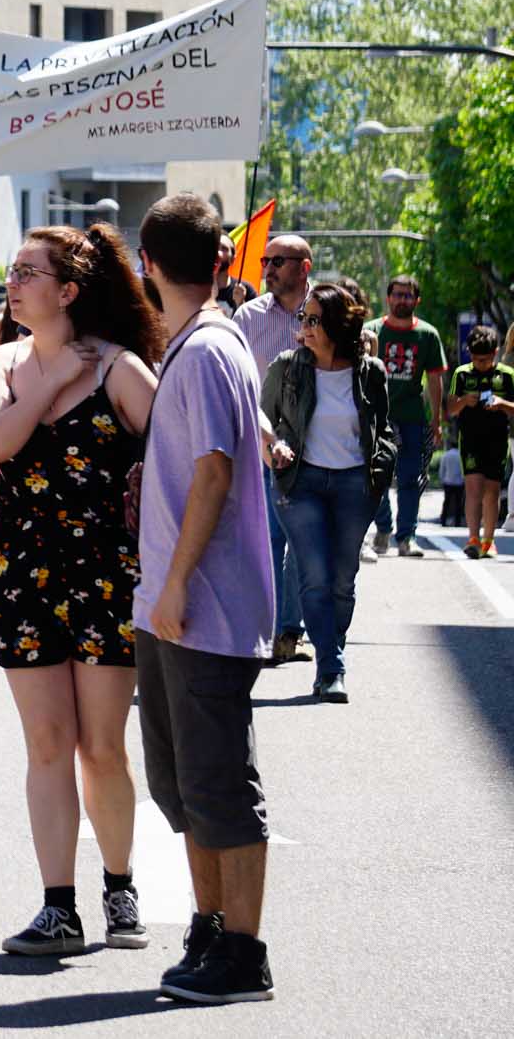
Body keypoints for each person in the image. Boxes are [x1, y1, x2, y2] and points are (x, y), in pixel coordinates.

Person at [0, 224, 163, 954]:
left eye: (29, 271)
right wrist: (49, 380)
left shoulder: (120, 368)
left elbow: (175, 451)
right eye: (14, 271)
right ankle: (58, 905)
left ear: (70, 290)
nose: (14, 282)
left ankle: (119, 884)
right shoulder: (2, 363)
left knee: (102, 746)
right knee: (47, 741)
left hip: (105, 574)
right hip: (23, 574)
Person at [134, 193, 277, 1005]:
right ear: (221, 258)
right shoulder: (196, 346)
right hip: (174, 599)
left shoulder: (208, 350)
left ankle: (243, 951)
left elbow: (216, 472)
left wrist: (180, 579)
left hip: (203, 605)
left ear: (148, 263)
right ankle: (211, 924)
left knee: (219, 785)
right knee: (182, 784)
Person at [261, 284, 395, 703]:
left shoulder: (370, 371)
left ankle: (329, 649)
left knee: (342, 580)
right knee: (313, 576)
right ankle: (331, 667)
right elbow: (262, 418)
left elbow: (382, 428)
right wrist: (275, 446)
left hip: (355, 485)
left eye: (314, 320)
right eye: (304, 319)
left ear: (337, 325)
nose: (305, 327)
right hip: (301, 483)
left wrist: (383, 466)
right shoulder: (286, 368)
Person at [233, 234, 314, 665]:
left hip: (314, 446)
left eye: (278, 260)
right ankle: (266, 632)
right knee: (266, 539)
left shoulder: (325, 310)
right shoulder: (246, 316)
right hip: (261, 445)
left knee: (302, 542)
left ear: (304, 266)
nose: (267, 266)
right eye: (265, 259)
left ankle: (289, 631)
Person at [367, 275, 446, 558]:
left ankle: (406, 538)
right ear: (388, 298)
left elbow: (435, 381)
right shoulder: (371, 331)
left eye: (408, 295)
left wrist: (437, 422)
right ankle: (384, 526)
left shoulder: (427, 335)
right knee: (375, 476)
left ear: (417, 300)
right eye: (398, 295)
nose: (403, 300)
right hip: (377, 418)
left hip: (413, 418)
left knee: (410, 479)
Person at [445, 325, 514, 558]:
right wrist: (464, 401)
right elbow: (451, 409)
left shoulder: (507, 375)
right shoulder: (462, 374)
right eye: (475, 359)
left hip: (497, 441)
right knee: (474, 487)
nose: (480, 363)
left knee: (492, 491)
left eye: (485, 360)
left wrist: (502, 404)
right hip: (471, 440)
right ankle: (473, 539)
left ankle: (489, 540)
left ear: (495, 353)